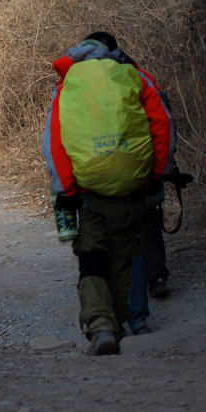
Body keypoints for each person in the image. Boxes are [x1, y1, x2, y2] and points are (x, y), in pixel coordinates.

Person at [43, 33, 173, 355]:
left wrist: (66, 190)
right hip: (132, 188)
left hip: (87, 192)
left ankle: (101, 328)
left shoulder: (67, 86)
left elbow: (54, 143)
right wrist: (155, 175)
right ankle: (115, 325)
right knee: (122, 262)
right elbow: (162, 125)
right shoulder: (135, 76)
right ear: (113, 52)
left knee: (91, 260)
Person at [79, 32, 191, 336]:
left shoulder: (76, 86)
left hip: (96, 180)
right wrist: (161, 170)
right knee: (143, 237)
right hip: (140, 174)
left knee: (100, 250)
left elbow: (61, 138)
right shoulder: (138, 77)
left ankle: (109, 321)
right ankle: (141, 312)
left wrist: (68, 182)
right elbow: (163, 123)